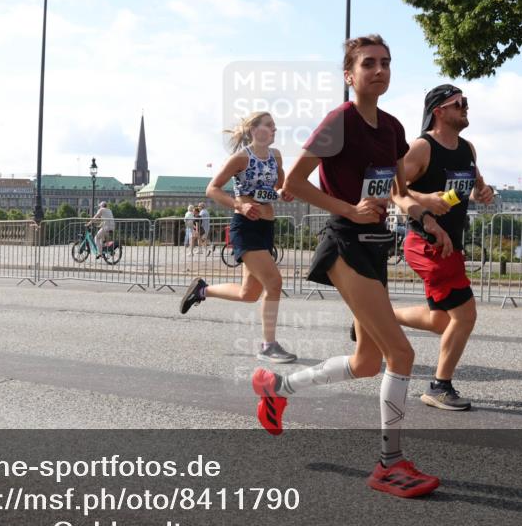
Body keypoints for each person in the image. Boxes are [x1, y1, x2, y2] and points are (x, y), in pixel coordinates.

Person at [250, 35, 440, 498]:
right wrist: (349, 209)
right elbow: (292, 182)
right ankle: (389, 465)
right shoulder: (340, 121)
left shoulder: (393, 128)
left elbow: (396, 192)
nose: (380, 71)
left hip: (375, 247)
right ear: (349, 75)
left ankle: (277, 388)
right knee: (402, 355)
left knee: (367, 360)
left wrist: (425, 212)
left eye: (386, 64)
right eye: (369, 64)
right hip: (344, 245)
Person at [387, 83, 495, 411]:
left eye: (466, 102)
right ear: (439, 111)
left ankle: (376, 319)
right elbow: (393, 189)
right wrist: (426, 199)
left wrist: (484, 193)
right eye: (458, 103)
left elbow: (473, 189)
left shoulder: (468, 149)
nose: (465, 108)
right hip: (427, 242)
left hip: (453, 244)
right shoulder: (422, 148)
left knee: (441, 321)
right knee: (465, 315)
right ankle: (439, 386)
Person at [179, 112, 297, 364]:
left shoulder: (276, 156)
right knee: (274, 282)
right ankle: (269, 346)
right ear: (254, 130)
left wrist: (283, 194)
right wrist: (239, 205)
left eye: (275, 127)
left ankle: (202, 290)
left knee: (249, 294)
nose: (274, 130)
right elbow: (212, 188)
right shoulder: (241, 157)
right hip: (245, 225)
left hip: (266, 226)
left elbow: (278, 187)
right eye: (269, 126)